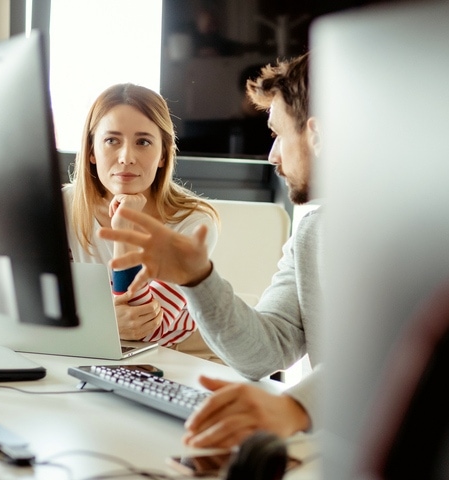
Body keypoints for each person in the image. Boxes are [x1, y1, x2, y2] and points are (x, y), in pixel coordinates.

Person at [99, 53, 323, 449]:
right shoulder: (313, 233)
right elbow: (263, 352)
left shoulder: (414, 228)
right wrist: (198, 278)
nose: (272, 156)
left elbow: (394, 355)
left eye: (277, 135)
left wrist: (295, 408)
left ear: (317, 135)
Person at [64, 83, 219, 353]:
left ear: (162, 155)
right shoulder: (60, 206)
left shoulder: (193, 222)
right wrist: (102, 323)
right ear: (91, 151)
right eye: (112, 140)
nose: (126, 158)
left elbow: (143, 328)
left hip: (180, 355)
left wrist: (125, 226)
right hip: (91, 348)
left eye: (143, 142)